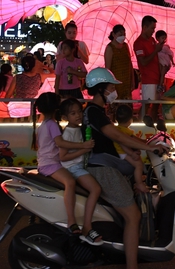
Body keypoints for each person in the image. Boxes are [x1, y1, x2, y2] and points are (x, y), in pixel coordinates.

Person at [81, 67, 167, 269]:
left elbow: (118, 140)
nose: (113, 91)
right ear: (101, 89)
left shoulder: (94, 111)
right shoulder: (93, 111)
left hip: (104, 165)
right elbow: (116, 136)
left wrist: (134, 150)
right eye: (111, 87)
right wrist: (148, 147)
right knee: (133, 215)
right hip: (103, 169)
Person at [32, 93, 95, 238]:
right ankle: (71, 221)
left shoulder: (45, 124)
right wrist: (82, 146)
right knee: (70, 182)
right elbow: (61, 143)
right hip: (50, 164)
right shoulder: (52, 124)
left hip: (46, 163)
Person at [57, 98, 104, 246]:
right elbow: (63, 157)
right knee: (96, 189)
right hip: (73, 168)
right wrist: (83, 148)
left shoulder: (79, 128)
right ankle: (87, 227)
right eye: (73, 113)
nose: (77, 115)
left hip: (80, 166)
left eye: (79, 111)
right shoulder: (68, 134)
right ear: (65, 117)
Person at [112, 104, 149, 193]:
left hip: (120, 152)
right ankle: (139, 183)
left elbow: (135, 140)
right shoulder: (126, 131)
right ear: (130, 120)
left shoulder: (117, 129)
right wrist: (131, 153)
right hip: (122, 153)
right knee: (139, 164)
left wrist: (145, 141)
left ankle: (138, 177)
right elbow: (123, 144)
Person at [133, 16, 162, 118]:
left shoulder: (152, 40)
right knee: (146, 104)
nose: (153, 31)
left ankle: (152, 127)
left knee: (155, 105)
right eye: (152, 28)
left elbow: (156, 58)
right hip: (148, 80)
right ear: (144, 27)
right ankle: (141, 127)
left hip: (157, 78)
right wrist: (156, 50)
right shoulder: (138, 43)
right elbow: (143, 62)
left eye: (154, 29)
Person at [104, 24, 134, 100]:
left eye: (124, 34)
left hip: (126, 82)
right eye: (120, 34)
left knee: (127, 106)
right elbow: (108, 69)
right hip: (115, 83)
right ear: (113, 34)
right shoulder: (110, 48)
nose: (122, 37)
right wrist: (109, 85)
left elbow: (129, 64)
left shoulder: (125, 46)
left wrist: (133, 80)